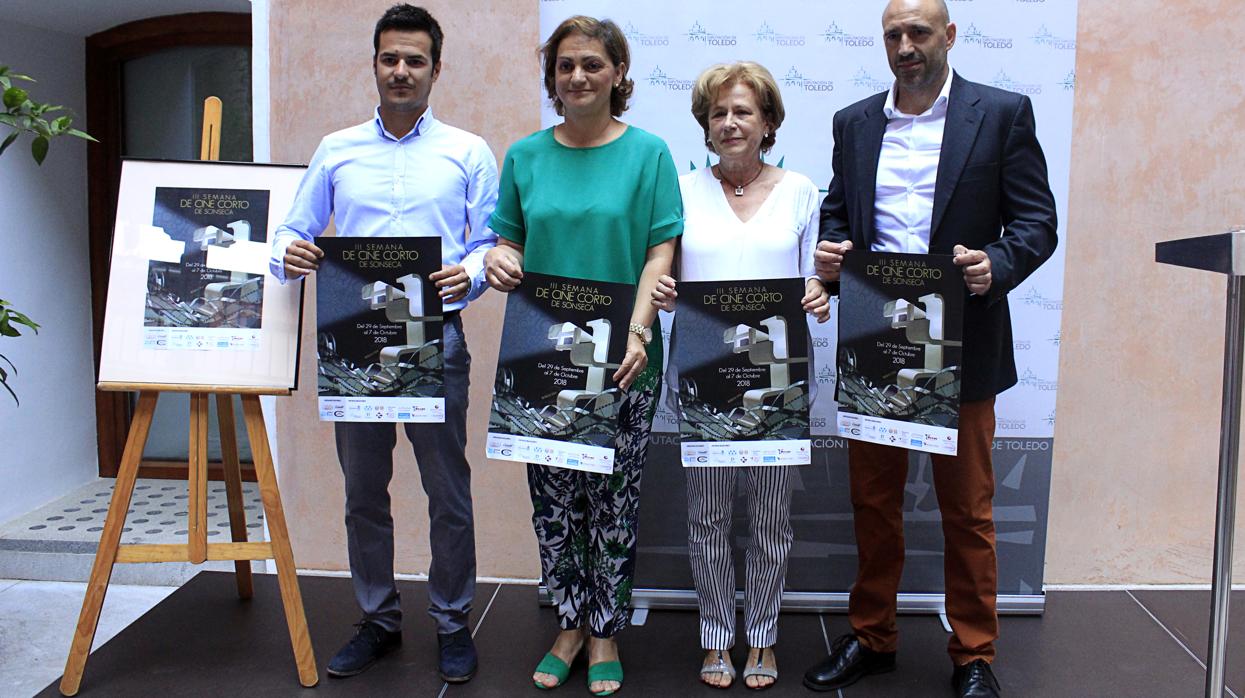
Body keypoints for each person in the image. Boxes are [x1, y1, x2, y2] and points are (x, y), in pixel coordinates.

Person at [801, 1, 1057, 696]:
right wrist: (834, 247)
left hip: (964, 340)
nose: (905, 46)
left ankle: (974, 654)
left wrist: (996, 265)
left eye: (918, 32)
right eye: (893, 35)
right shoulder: (852, 121)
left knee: (966, 511)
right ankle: (871, 637)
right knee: (872, 502)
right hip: (875, 340)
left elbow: (1036, 222)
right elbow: (838, 207)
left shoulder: (1002, 113)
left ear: (948, 35)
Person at [268, 4, 497, 684]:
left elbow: (491, 244)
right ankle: (378, 620)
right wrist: (293, 254)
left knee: (446, 491)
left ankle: (453, 623)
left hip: (437, 339)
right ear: (373, 63)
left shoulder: (467, 150)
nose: (401, 71)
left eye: (415, 60)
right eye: (390, 58)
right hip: (355, 344)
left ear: (435, 69)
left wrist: (474, 272)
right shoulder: (337, 149)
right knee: (364, 493)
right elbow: (287, 233)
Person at [483, 15, 682, 697]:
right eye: (565, 65)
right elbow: (506, 240)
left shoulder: (648, 154)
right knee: (554, 500)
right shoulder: (524, 157)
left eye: (592, 64)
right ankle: (567, 622)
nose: (577, 77)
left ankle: (604, 630)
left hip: (625, 355)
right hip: (542, 360)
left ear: (618, 74)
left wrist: (638, 331)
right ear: (552, 77)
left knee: (613, 502)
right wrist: (499, 256)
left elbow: (660, 251)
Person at [649, 61, 828, 691]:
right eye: (718, 113)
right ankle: (717, 637)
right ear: (705, 124)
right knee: (708, 513)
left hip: (776, 378)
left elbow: (814, 279)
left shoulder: (802, 190)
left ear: (769, 122)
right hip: (704, 374)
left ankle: (764, 638)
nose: (730, 123)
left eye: (743, 111)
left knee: (772, 514)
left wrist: (818, 294)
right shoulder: (681, 188)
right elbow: (663, 269)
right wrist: (665, 292)